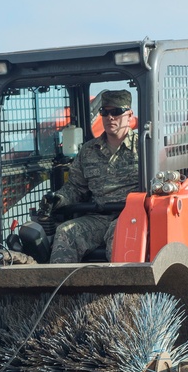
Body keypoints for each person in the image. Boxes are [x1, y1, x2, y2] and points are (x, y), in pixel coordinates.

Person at [45, 89, 140, 263]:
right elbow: (75, 187)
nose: (110, 117)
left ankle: (119, 289)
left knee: (119, 233)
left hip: (132, 217)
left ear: (129, 115)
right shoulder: (88, 151)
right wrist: (58, 199)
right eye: (105, 112)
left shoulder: (143, 148)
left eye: (116, 112)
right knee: (66, 232)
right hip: (98, 217)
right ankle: (61, 289)